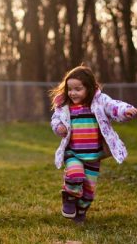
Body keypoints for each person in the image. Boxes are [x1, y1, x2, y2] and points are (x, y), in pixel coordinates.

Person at [49, 65, 137, 224]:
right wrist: (58, 127)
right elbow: (56, 118)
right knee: (75, 175)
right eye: (70, 89)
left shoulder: (99, 102)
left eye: (78, 89)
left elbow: (114, 106)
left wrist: (125, 110)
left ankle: (81, 212)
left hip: (93, 156)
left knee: (88, 193)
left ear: (89, 88)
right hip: (73, 152)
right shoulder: (65, 106)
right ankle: (69, 198)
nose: (73, 93)